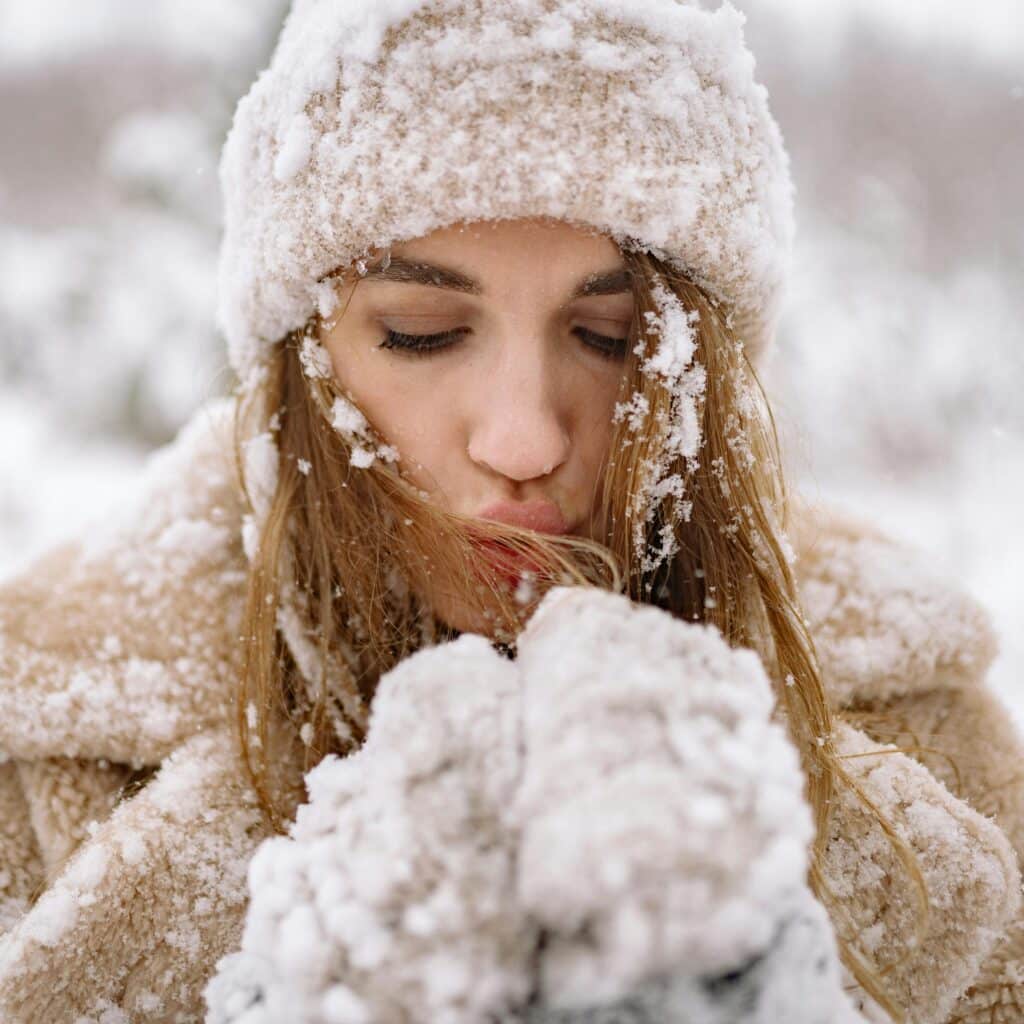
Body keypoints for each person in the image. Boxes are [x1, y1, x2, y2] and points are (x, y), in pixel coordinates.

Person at [0, 1, 1020, 1021]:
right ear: (298, 376)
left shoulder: (928, 730)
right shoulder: (48, 742)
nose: (525, 440)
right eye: (423, 332)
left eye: (610, 336)